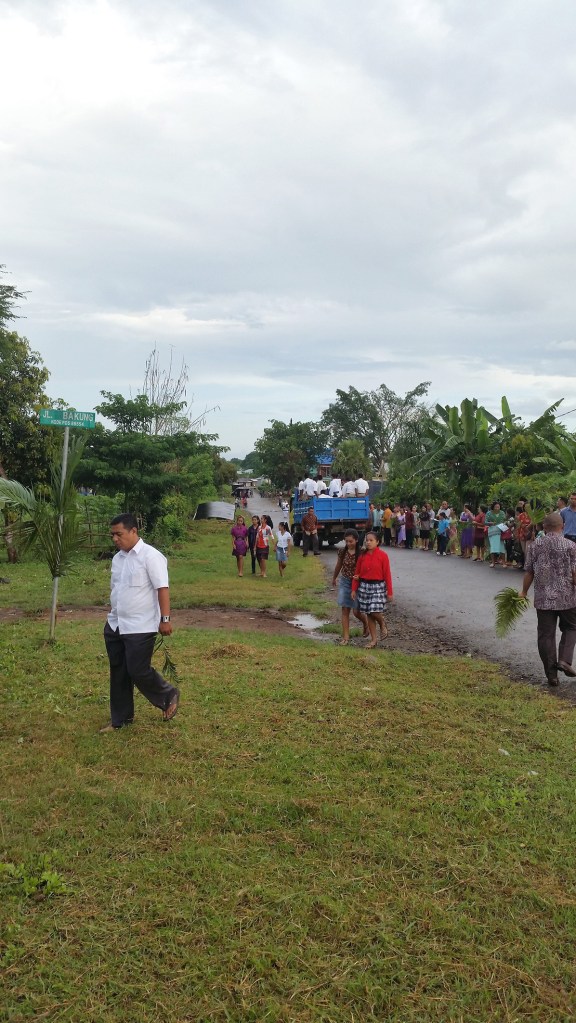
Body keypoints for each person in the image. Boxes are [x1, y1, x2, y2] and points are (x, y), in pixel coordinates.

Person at [100, 514, 179, 732]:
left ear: (134, 531)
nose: (115, 539)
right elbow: (117, 590)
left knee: (137, 670)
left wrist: (165, 619)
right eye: (112, 535)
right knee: (119, 673)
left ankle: (167, 694)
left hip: (140, 626)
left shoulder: (151, 556)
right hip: (116, 624)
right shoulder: (117, 559)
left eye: (119, 534)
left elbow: (162, 588)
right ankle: (121, 719)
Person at [520, 512, 576, 686]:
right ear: (563, 526)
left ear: (543, 528)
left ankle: (551, 675)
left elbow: (529, 572)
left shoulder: (534, 546)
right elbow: (575, 573)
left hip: (544, 599)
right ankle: (565, 660)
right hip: (567, 598)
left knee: (545, 635)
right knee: (571, 627)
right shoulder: (571, 546)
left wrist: (523, 591)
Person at [351, 531, 394, 648]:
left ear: (377, 542)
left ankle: (382, 622)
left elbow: (387, 575)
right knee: (369, 614)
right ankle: (373, 640)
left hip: (378, 586)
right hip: (364, 586)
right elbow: (357, 574)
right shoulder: (362, 556)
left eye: (371, 540)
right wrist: (354, 589)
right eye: (367, 540)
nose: (368, 542)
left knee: (374, 611)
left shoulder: (383, 556)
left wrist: (390, 592)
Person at [331, 528, 369, 644]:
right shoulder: (342, 551)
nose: (348, 544)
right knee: (345, 608)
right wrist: (334, 577)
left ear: (356, 540)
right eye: (346, 541)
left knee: (356, 612)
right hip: (345, 581)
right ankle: (346, 637)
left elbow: (367, 568)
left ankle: (365, 623)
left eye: (351, 541)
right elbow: (339, 565)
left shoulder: (362, 552)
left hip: (358, 583)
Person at [485, 501, 506, 567]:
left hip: (500, 531)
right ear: (493, 507)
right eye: (496, 507)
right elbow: (485, 522)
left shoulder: (502, 513)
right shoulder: (489, 513)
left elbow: (505, 520)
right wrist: (490, 523)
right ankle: (493, 562)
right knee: (493, 547)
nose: (497, 508)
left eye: (498, 507)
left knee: (502, 547)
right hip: (492, 531)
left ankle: (504, 562)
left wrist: (505, 523)